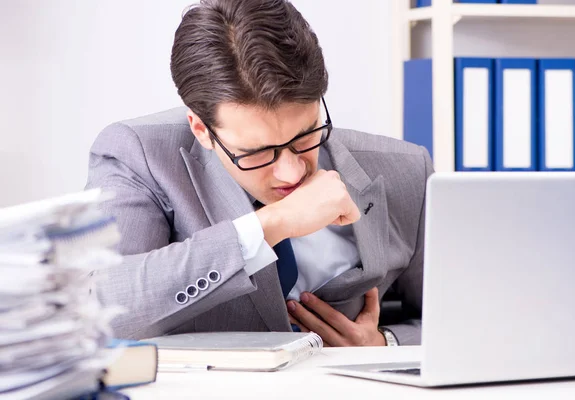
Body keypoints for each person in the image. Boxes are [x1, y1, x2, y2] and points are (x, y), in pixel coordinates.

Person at [86, 0, 433, 347]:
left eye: (305, 135)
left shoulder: (406, 169)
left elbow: (467, 319)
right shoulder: (137, 155)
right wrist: (272, 225)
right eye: (258, 152)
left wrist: (384, 343)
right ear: (201, 129)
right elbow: (103, 310)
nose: (291, 171)